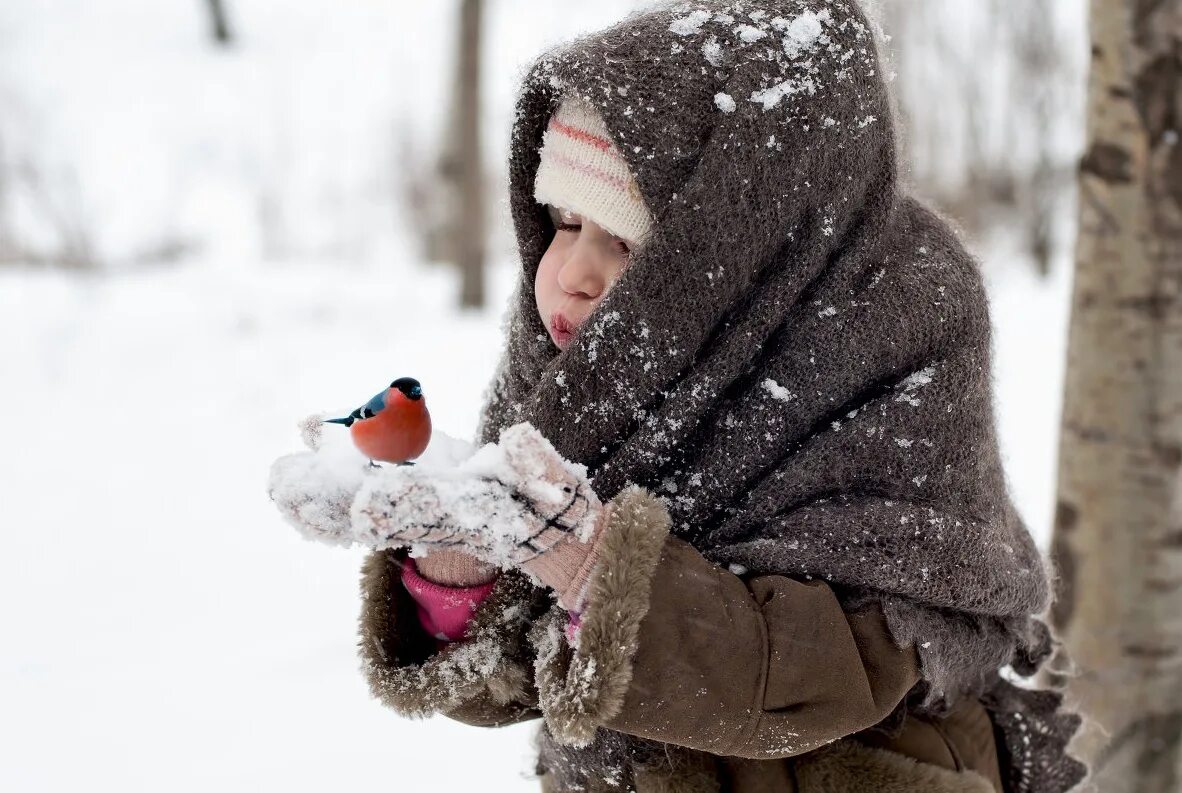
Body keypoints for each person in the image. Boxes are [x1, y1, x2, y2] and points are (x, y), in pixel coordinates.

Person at [271, 2, 1087, 791]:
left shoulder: (889, 328)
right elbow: (527, 676)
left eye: (623, 240)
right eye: (561, 222)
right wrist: (464, 569)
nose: (573, 273)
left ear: (734, 247)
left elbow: (827, 680)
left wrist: (595, 568)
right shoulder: (580, 372)